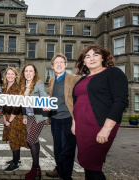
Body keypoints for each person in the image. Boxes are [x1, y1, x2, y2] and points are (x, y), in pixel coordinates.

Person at [73, 45, 128, 180]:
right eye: (87, 56)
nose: (91, 58)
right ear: (83, 61)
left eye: (95, 55)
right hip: (82, 127)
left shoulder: (113, 73)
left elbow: (120, 101)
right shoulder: (82, 78)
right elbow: (76, 102)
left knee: (93, 166)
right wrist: (74, 123)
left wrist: (106, 129)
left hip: (99, 126)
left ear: (103, 57)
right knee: (87, 163)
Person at [45, 54, 81, 180]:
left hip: (68, 119)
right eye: (56, 63)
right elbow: (53, 99)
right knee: (58, 147)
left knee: (68, 149)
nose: (59, 64)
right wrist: (47, 105)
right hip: (55, 119)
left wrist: (75, 121)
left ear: (66, 65)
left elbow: (79, 101)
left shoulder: (75, 79)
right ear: (52, 66)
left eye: (61, 62)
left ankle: (66, 176)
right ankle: (59, 169)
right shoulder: (51, 80)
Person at [19, 64, 49, 180]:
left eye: (31, 71)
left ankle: (34, 168)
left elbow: (43, 94)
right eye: (26, 71)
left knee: (30, 140)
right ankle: (37, 168)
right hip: (30, 116)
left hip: (38, 116)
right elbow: (22, 103)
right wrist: (24, 116)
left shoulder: (39, 83)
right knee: (34, 140)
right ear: (24, 73)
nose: (28, 73)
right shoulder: (22, 86)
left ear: (34, 73)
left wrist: (46, 100)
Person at [2, 67, 29, 172]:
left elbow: (17, 106)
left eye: (12, 74)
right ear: (5, 76)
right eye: (8, 74)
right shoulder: (4, 88)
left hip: (16, 117)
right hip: (7, 116)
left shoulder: (18, 87)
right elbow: (2, 104)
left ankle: (15, 163)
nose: (10, 76)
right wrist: (4, 117)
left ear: (15, 76)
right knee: (12, 138)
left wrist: (9, 120)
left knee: (15, 139)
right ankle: (16, 158)